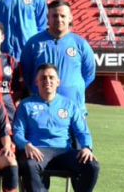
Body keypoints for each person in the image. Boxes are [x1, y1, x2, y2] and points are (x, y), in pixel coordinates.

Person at [13, 64, 99, 192]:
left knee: (92, 166)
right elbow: (17, 132)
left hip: (64, 151)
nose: (47, 81)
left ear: (58, 82)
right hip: (38, 150)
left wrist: (87, 147)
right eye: (43, 78)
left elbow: (82, 132)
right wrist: (26, 145)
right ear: (36, 82)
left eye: (51, 77)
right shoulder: (26, 105)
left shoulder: (69, 105)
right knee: (29, 164)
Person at [19, 0, 95, 110]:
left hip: (73, 106)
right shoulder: (34, 43)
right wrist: (37, 90)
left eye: (63, 16)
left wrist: (73, 88)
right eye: (55, 16)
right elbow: (26, 73)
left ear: (70, 18)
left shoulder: (81, 44)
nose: (59, 19)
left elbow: (89, 74)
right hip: (41, 106)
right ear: (48, 18)